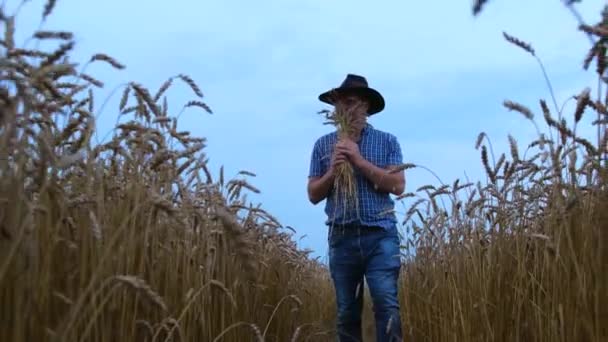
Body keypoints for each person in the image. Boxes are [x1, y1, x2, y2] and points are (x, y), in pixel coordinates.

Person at [307, 74, 405, 342]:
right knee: (347, 312)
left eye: (350, 102)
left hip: (380, 234)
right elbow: (313, 195)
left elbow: (397, 185)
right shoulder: (323, 145)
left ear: (365, 107)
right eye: (338, 104)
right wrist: (333, 171)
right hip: (342, 236)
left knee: (386, 303)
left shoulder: (387, 142)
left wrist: (358, 161)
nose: (344, 109)